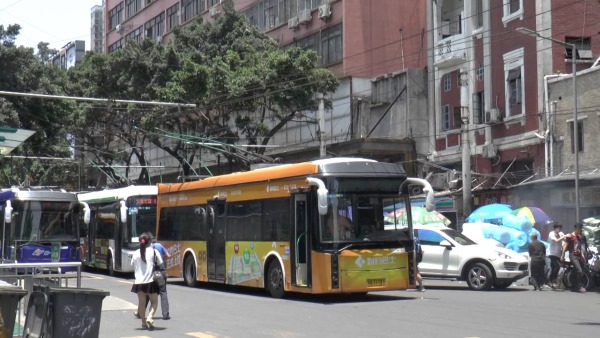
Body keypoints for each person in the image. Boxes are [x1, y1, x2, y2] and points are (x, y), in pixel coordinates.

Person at [134, 233, 172, 320]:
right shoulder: (158, 247)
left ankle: (140, 313)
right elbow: (164, 260)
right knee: (163, 292)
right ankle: (165, 314)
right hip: (159, 274)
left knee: (147, 293)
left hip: (150, 275)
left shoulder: (144, 250)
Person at [131, 232, 162, 329]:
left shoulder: (135, 253)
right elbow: (160, 263)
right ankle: (150, 316)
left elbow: (132, 264)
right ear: (149, 241)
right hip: (150, 281)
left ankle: (143, 323)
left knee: (141, 303)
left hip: (139, 282)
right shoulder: (154, 252)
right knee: (154, 302)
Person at [561, 223, 587, 293]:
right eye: (579, 229)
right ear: (576, 229)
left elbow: (580, 248)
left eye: (580, 229)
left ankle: (573, 285)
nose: (580, 231)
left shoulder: (579, 237)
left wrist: (583, 256)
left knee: (579, 271)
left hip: (579, 256)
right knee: (579, 270)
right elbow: (565, 246)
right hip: (573, 255)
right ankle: (579, 286)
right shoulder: (570, 236)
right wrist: (562, 255)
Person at [547, 223, 565, 288]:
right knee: (556, 266)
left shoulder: (561, 233)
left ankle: (552, 280)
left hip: (558, 254)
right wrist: (563, 237)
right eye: (558, 228)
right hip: (552, 253)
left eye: (560, 228)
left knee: (557, 267)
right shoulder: (551, 233)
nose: (559, 229)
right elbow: (556, 241)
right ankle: (551, 280)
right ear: (555, 228)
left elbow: (565, 240)